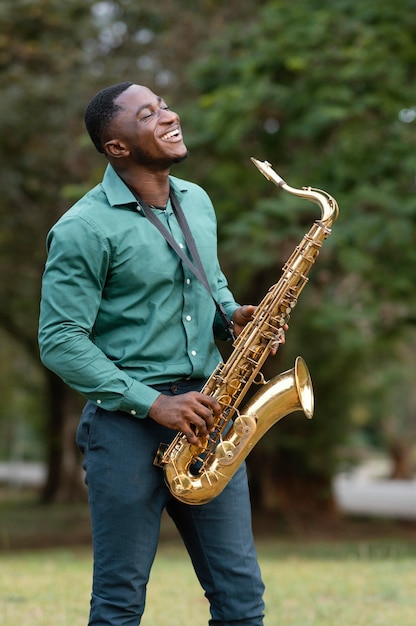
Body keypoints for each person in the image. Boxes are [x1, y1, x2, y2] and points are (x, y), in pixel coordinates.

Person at [38, 82, 267, 626]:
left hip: (209, 418)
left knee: (242, 602)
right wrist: (153, 404)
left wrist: (234, 316)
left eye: (163, 104)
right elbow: (60, 339)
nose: (169, 115)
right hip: (124, 429)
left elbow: (210, 286)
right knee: (120, 602)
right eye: (148, 114)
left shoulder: (198, 201)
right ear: (117, 146)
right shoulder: (83, 228)